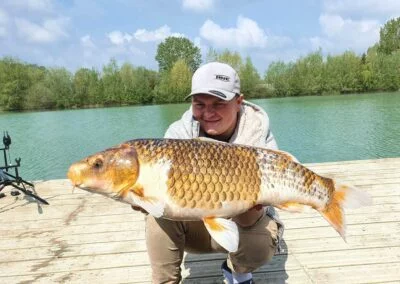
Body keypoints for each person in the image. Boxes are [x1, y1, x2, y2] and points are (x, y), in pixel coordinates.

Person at [135, 62, 284, 284]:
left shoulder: (257, 133)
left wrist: (252, 207)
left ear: (238, 102)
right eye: (199, 104)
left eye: (218, 103)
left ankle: (238, 272)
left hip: (245, 222)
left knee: (259, 242)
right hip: (195, 227)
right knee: (157, 216)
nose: (208, 113)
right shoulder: (178, 134)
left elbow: (264, 204)